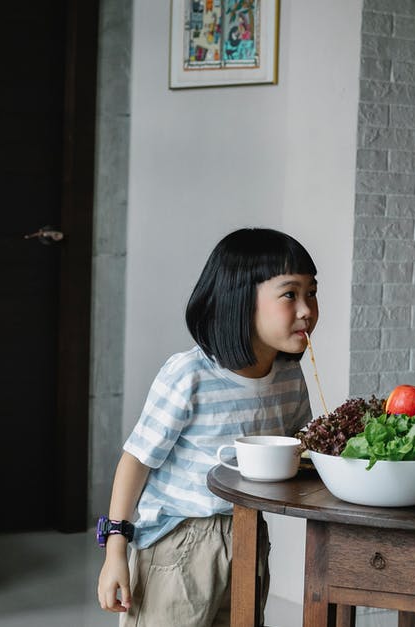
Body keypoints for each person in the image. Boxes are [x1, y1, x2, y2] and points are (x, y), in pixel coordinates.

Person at [96, 228, 318, 626]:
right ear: (241, 300)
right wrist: (115, 550)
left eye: (311, 293)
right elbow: (136, 460)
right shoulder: (190, 375)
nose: (306, 309)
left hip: (249, 533)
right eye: (290, 294)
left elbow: (300, 450)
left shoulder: (288, 377)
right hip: (180, 541)